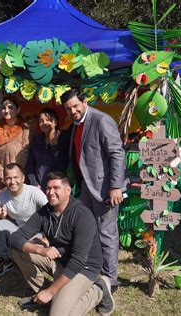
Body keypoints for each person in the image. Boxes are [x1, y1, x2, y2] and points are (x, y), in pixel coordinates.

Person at [10, 172, 115, 315]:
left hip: (84, 268)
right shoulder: (45, 212)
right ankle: (43, 295)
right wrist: (40, 250)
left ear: (68, 190)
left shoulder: (82, 216)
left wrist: (51, 291)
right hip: (60, 261)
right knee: (19, 251)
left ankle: (98, 290)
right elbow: (15, 238)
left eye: (56, 188)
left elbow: (78, 261)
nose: (50, 192)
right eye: (48, 188)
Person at [61, 89, 127, 293]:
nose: (73, 110)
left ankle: (110, 280)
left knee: (107, 234)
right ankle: (91, 269)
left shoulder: (101, 120)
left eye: (75, 105)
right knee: (89, 232)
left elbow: (117, 154)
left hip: (104, 190)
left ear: (84, 101)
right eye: (68, 108)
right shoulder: (75, 125)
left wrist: (115, 187)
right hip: (86, 188)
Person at [0, 98, 30, 194]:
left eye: (10, 107)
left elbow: (25, 152)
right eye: (3, 108)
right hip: (0, 181)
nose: (6, 111)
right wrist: (3, 175)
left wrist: (13, 175)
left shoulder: (25, 129)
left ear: (18, 109)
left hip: (19, 180)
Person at [26, 107, 69, 191]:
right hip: (38, 187)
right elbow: (30, 165)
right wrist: (34, 184)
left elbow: (63, 166)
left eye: (48, 120)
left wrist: (54, 145)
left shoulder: (63, 138)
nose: (44, 123)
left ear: (55, 122)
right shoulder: (36, 140)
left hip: (57, 187)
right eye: (41, 121)